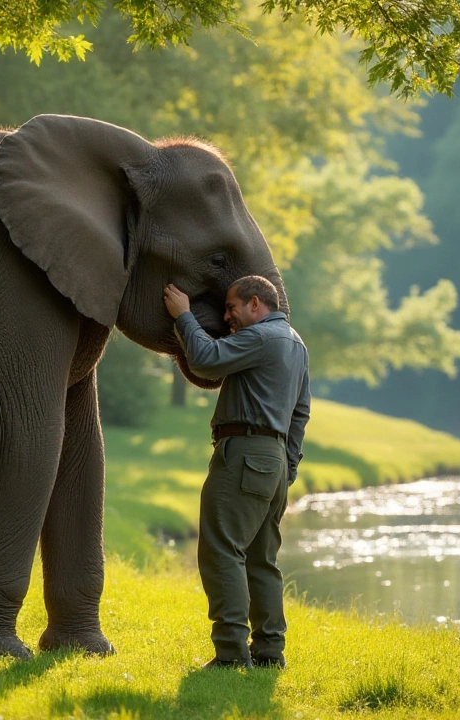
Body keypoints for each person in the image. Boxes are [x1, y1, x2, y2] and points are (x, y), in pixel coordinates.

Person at [163, 275, 310, 670]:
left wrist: (184, 317)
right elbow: (300, 413)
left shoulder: (261, 337)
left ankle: (230, 654)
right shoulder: (296, 344)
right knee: (262, 560)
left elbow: (206, 360)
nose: (227, 316)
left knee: (222, 551)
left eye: (232, 307)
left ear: (256, 305)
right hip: (274, 460)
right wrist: (287, 465)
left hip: (244, 452)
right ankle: (269, 652)